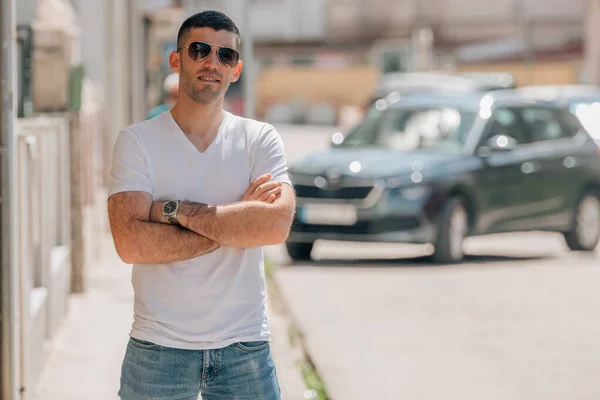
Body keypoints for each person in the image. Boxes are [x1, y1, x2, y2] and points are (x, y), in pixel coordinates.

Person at [107, 10, 295, 400]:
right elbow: (131, 244)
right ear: (176, 60)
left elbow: (274, 226)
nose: (213, 63)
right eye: (200, 50)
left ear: (237, 69)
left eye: (225, 55)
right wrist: (237, 221)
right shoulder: (137, 142)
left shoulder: (259, 139)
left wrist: (172, 211)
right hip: (157, 350)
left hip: (244, 349)